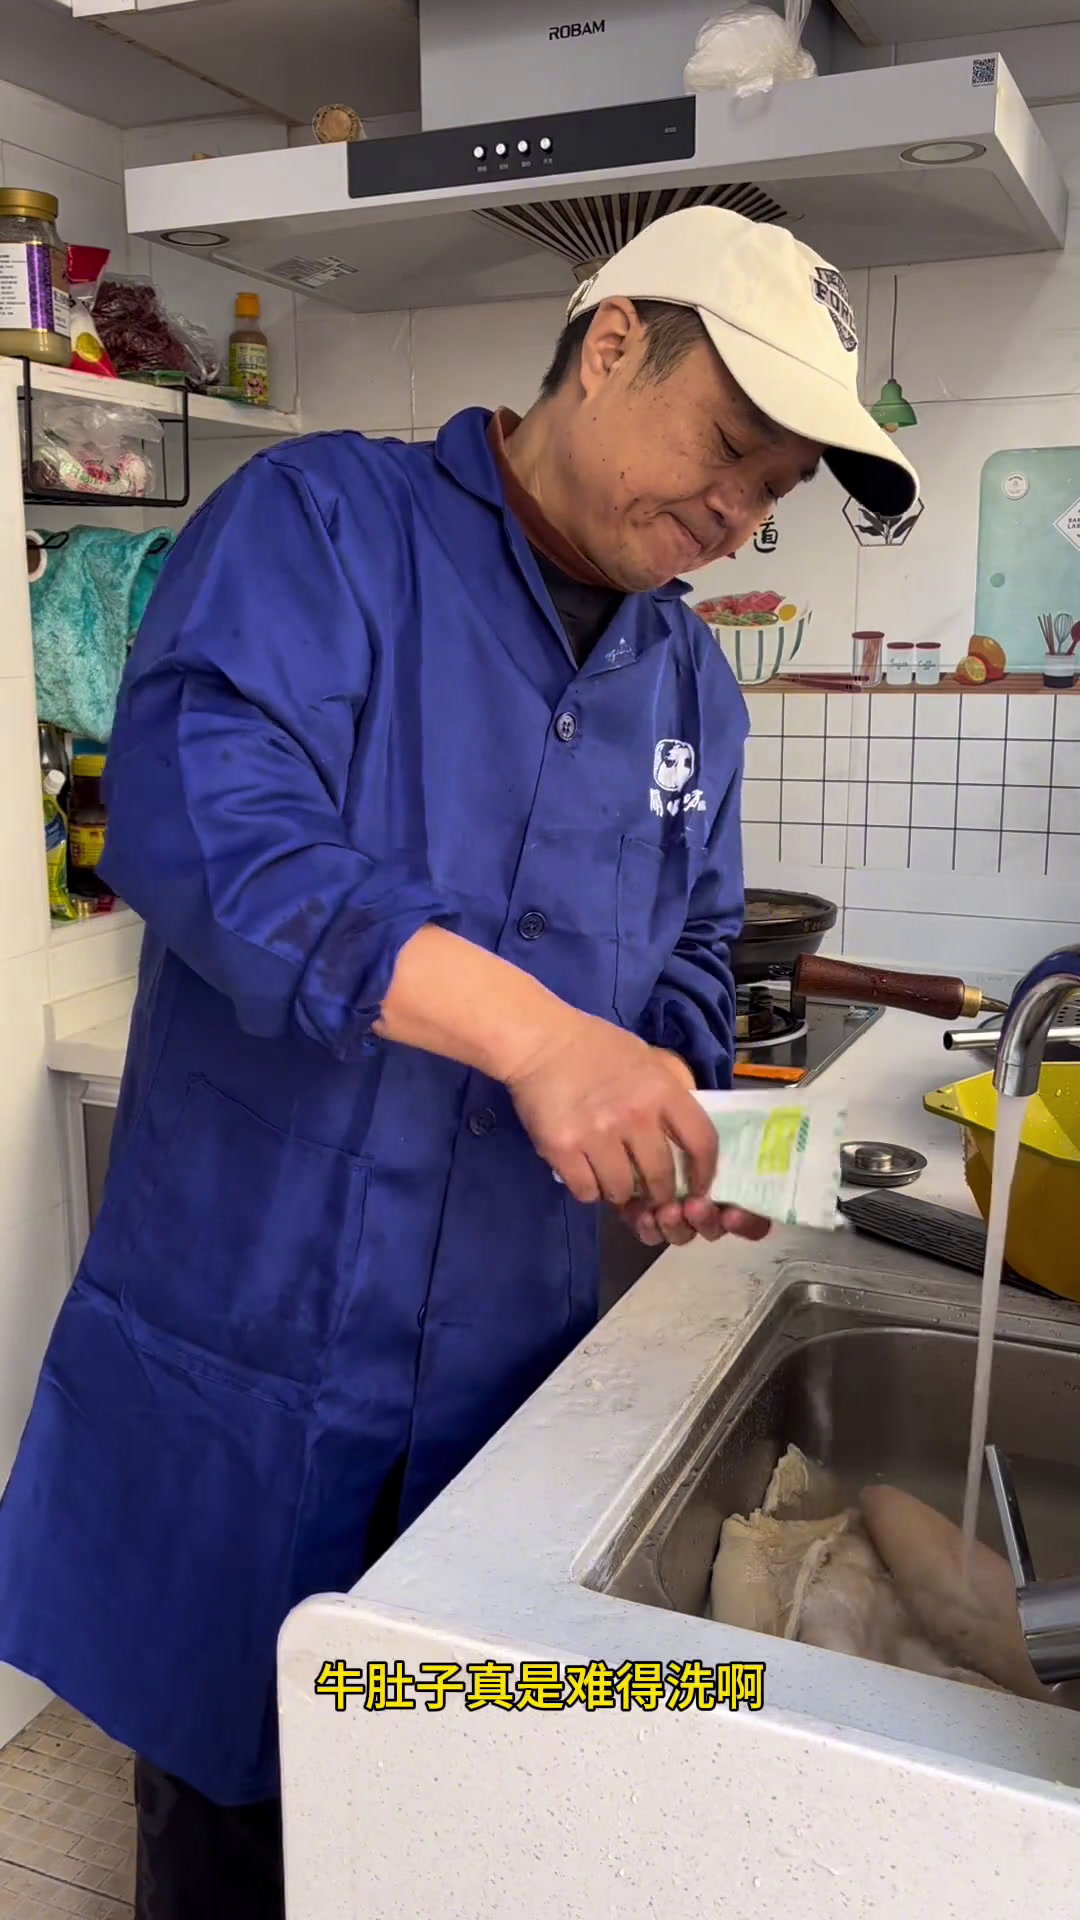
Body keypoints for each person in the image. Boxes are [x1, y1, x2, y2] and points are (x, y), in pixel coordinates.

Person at [0, 206, 916, 1917]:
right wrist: (538, 1039)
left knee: (440, 1816)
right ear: (614, 341)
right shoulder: (321, 530)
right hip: (253, 1353)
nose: (735, 512)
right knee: (233, 1829)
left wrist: (665, 1112)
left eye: (772, 493)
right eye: (729, 449)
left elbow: (692, 946)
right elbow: (217, 829)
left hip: (501, 1388)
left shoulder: (691, 689)